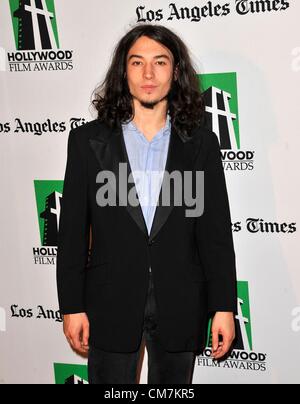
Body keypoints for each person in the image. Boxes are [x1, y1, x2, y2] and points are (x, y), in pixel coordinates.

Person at [56, 23, 237, 384]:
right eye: (137, 63)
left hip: (181, 301)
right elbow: (72, 232)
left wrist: (224, 307)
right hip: (110, 302)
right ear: (124, 72)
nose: (149, 74)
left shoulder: (201, 144)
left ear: (176, 71)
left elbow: (215, 233)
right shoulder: (87, 142)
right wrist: (72, 306)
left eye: (161, 62)